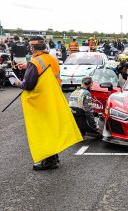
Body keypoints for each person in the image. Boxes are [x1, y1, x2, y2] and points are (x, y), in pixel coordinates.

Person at [14, 36, 82, 170]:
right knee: (51, 128)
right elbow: (45, 69)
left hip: (41, 100)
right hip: (53, 97)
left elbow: (28, 84)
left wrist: (17, 83)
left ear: (32, 47)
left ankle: (50, 161)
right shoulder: (52, 58)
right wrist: (28, 66)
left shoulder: (35, 62)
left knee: (44, 130)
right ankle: (53, 158)